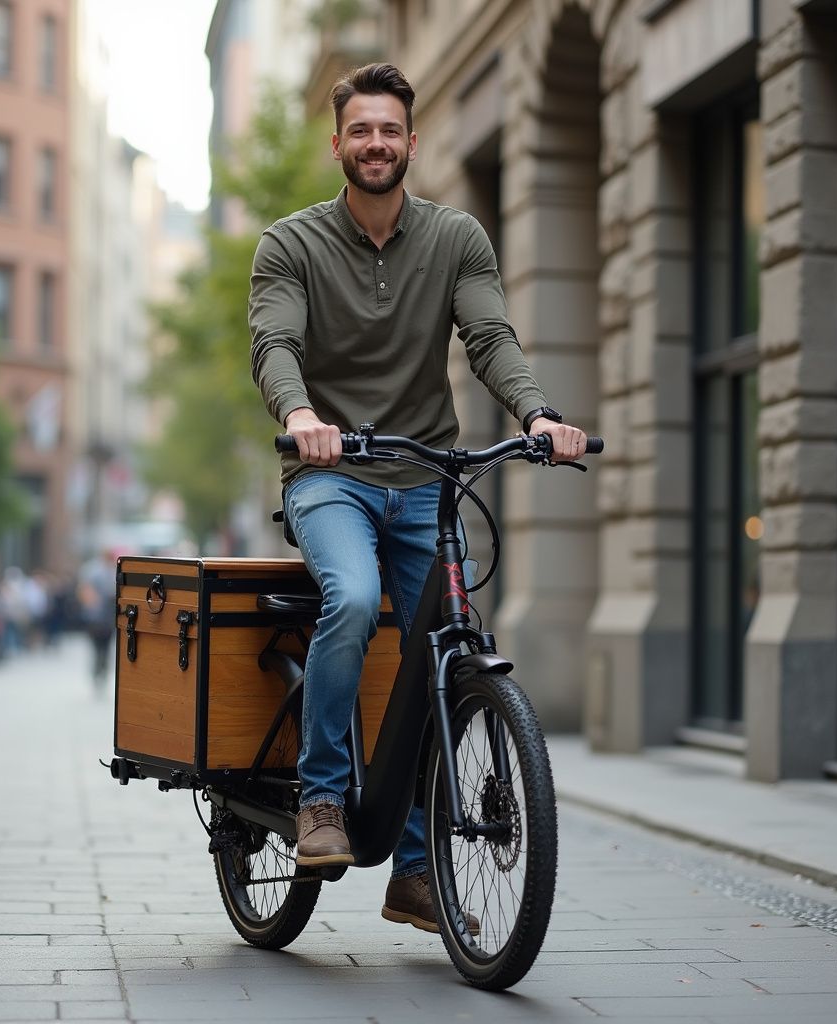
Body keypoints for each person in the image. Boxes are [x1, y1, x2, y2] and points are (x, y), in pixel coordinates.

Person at [249, 63, 587, 933]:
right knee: (356, 599)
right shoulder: (290, 244)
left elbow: (490, 338)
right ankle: (322, 800)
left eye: (389, 131)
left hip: (425, 476)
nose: (375, 144)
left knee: (447, 645)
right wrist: (300, 414)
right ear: (338, 144)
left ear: (410, 140)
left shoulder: (457, 238)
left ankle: (412, 867)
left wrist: (539, 413)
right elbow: (275, 343)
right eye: (360, 130)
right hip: (331, 476)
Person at [77, 548, 117, 690]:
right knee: (97, 647)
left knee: (105, 647)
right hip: (96, 617)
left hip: (107, 617)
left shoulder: (112, 571)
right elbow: (86, 591)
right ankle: (98, 671)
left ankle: (102, 670)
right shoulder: (94, 571)